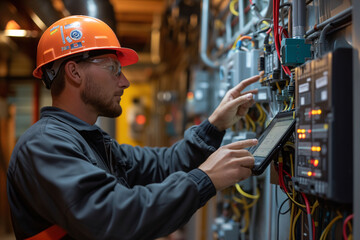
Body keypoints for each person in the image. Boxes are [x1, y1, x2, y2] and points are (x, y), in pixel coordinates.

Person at [7, 15, 260, 240]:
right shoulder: (45, 145)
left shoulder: (91, 142)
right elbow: (113, 217)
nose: (125, 81)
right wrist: (205, 179)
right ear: (74, 72)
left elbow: (164, 165)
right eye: (114, 69)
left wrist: (214, 126)